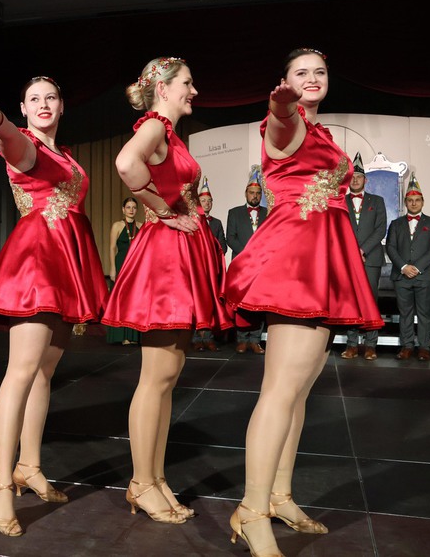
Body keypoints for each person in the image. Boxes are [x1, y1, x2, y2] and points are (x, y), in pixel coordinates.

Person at [223, 48, 383, 557]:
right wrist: (281, 106)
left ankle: (280, 496)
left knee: (298, 393)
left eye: (319, 72)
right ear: (285, 81)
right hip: (296, 262)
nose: (312, 78)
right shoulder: (288, 124)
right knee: (280, 391)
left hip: (325, 260)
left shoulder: (323, 132)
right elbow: (279, 127)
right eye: (301, 73)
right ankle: (251, 511)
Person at [0, 76, 107, 537]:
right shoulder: (25, 146)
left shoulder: (66, 154)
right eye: (34, 99)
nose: (43, 104)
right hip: (37, 259)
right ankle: (1, 483)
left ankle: (30, 466)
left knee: (44, 372)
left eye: (50, 97)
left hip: (67, 259)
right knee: (21, 372)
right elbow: (5, 133)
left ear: (62, 105)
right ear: (22, 107)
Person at [99, 57, 229, 526]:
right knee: (156, 376)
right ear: (164, 88)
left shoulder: (170, 134)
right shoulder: (154, 125)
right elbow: (124, 163)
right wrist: (163, 209)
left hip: (179, 253)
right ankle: (140, 482)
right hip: (165, 257)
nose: (194, 90)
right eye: (188, 83)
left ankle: (154, 478)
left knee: (169, 374)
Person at [386, 176, 430, 361]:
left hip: (424, 276)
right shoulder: (396, 223)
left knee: (425, 313)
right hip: (401, 276)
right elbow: (391, 247)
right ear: (405, 202)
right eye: (410, 200)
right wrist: (403, 267)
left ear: (423, 202)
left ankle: (424, 347)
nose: (414, 203)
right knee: (405, 313)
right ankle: (407, 346)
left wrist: (417, 267)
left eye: (417, 200)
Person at [342, 154, 387, 361]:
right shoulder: (340, 201)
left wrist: (362, 250)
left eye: (359, 177)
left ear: (365, 180)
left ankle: (370, 345)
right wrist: (352, 251)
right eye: (352, 177)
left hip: (371, 259)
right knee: (351, 301)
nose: (356, 180)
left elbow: (380, 230)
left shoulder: (377, 201)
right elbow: (337, 230)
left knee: (371, 301)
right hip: (347, 259)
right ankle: (352, 344)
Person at [226, 172, 267, 354]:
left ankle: (255, 340)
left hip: (262, 266)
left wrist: (259, 256)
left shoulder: (268, 213)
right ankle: (242, 340)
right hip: (241, 266)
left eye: (258, 193)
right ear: (246, 193)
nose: (255, 196)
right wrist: (248, 254)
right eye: (251, 193)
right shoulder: (234, 213)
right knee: (241, 303)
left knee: (258, 303)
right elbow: (230, 238)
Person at [194, 176, 226, 352]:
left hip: (212, 269)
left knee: (210, 302)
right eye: (203, 201)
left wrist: (212, 254)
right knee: (196, 301)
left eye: (209, 201)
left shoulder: (217, 223)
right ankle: (196, 338)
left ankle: (209, 338)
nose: (206, 204)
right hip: (197, 269)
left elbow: (223, 246)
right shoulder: (193, 222)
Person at [106, 196, 139, 345]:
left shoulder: (141, 225)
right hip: (121, 264)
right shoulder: (117, 226)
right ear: (123, 209)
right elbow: (112, 248)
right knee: (121, 300)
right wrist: (113, 268)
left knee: (134, 300)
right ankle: (122, 335)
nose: (131, 210)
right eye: (128, 207)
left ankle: (133, 335)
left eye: (134, 207)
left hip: (136, 266)